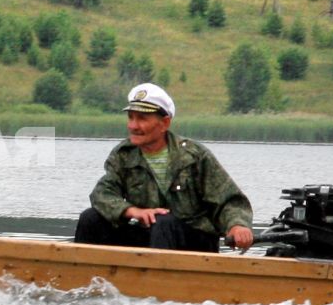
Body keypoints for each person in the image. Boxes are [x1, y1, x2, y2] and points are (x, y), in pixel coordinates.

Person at [74, 82, 255, 252]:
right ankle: (83, 282)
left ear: (164, 123)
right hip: (151, 238)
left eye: (142, 118)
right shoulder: (123, 155)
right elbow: (101, 194)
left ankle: (159, 283)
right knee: (90, 218)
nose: (133, 126)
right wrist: (132, 211)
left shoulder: (194, 156)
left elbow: (230, 201)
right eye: (131, 118)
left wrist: (237, 225)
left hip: (193, 242)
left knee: (163, 222)